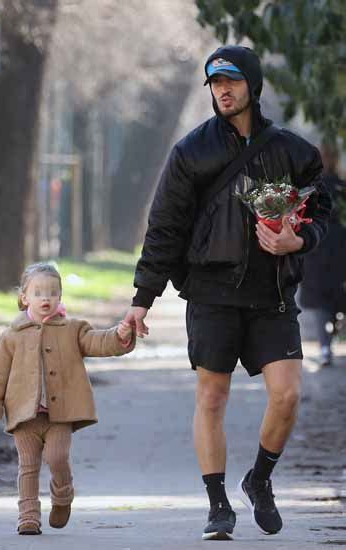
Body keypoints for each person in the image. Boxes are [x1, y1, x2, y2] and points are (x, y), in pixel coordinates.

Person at [124, 45, 331, 540]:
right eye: (215, 83)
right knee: (212, 397)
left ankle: (258, 480)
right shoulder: (191, 152)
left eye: (232, 81)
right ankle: (218, 505)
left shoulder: (294, 151)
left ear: (251, 87)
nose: (223, 90)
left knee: (287, 396)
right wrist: (142, 299)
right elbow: (165, 228)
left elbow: (322, 211)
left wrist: (297, 239)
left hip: (273, 293)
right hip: (212, 292)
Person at [0, 262, 134, 535]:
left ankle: (62, 495)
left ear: (60, 297)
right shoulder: (11, 336)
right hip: (23, 416)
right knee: (27, 466)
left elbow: (97, 342)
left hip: (58, 415)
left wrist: (119, 336)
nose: (46, 298)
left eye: (52, 292)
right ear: (24, 297)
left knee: (57, 457)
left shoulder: (72, 329)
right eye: (38, 292)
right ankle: (28, 516)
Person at [299, 141, 346, 367]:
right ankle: (333, 338)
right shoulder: (341, 187)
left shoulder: (311, 190)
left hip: (317, 249)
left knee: (320, 304)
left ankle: (326, 347)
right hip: (339, 250)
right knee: (336, 297)